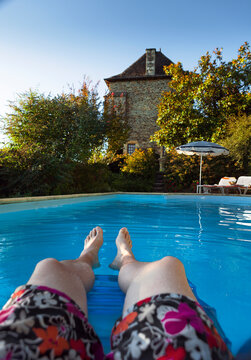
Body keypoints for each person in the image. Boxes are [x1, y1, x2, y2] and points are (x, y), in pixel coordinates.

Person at [0, 226, 233, 359]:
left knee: (49, 266)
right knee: (168, 266)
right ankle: (125, 258)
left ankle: (88, 257)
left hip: (17, 343)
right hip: (179, 347)